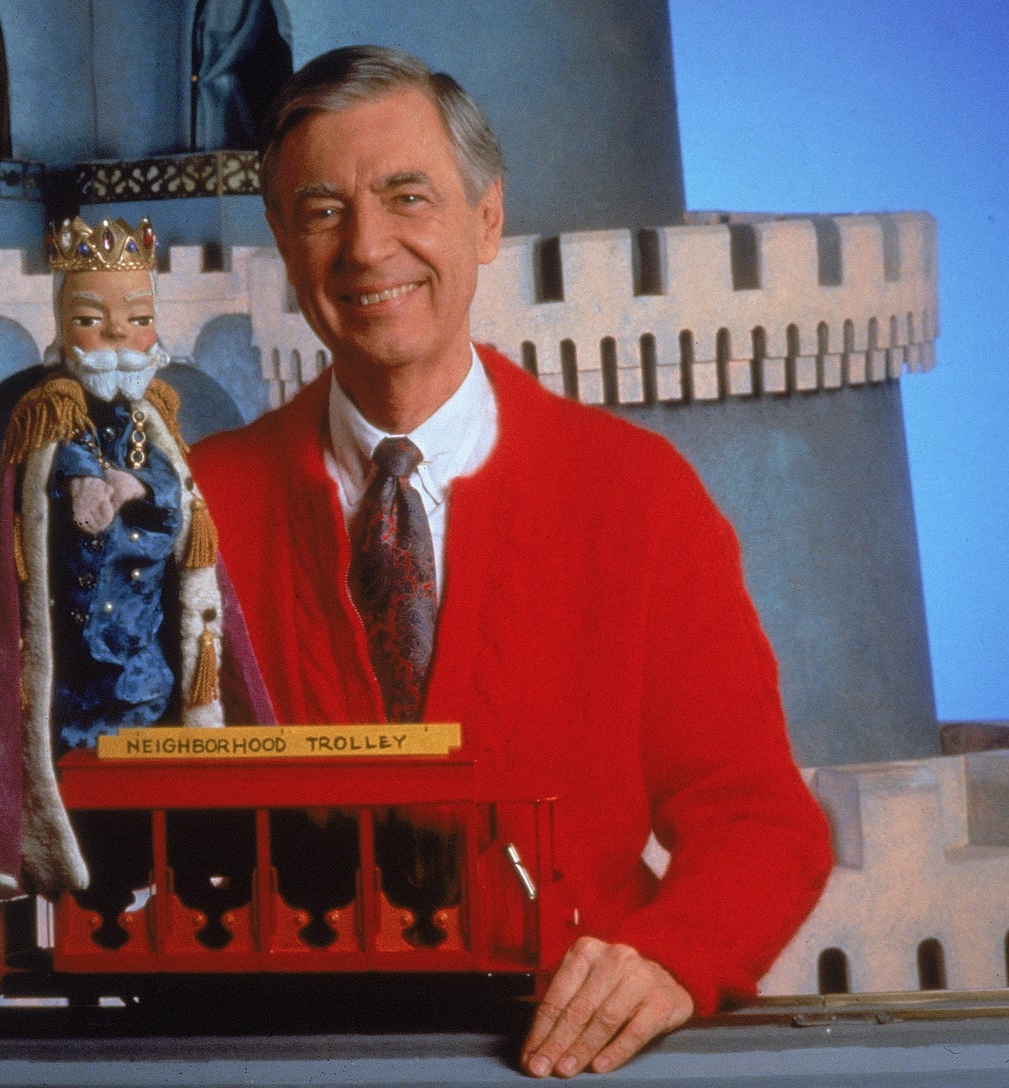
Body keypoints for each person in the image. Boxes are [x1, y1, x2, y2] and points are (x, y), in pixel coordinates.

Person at [189, 47, 833, 1077]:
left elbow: (759, 820)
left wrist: (672, 953)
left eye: (408, 197)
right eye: (319, 210)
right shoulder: (194, 505)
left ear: (486, 221)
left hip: (559, 1067)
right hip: (277, 1061)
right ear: (278, 238)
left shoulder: (635, 494)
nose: (366, 247)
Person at [0, 215, 271, 913]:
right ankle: (99, 893)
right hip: (79, 667)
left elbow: (180, 501)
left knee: (170, 788)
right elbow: (43, 491)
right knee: (88, 800)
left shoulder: (159, 420)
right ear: (63, 328)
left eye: (137, 319)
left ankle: (181, 879)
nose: (117, 336)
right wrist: (86, 482)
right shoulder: (47, 416)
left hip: (151, 663)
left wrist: (136, 487)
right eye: (93, 319)